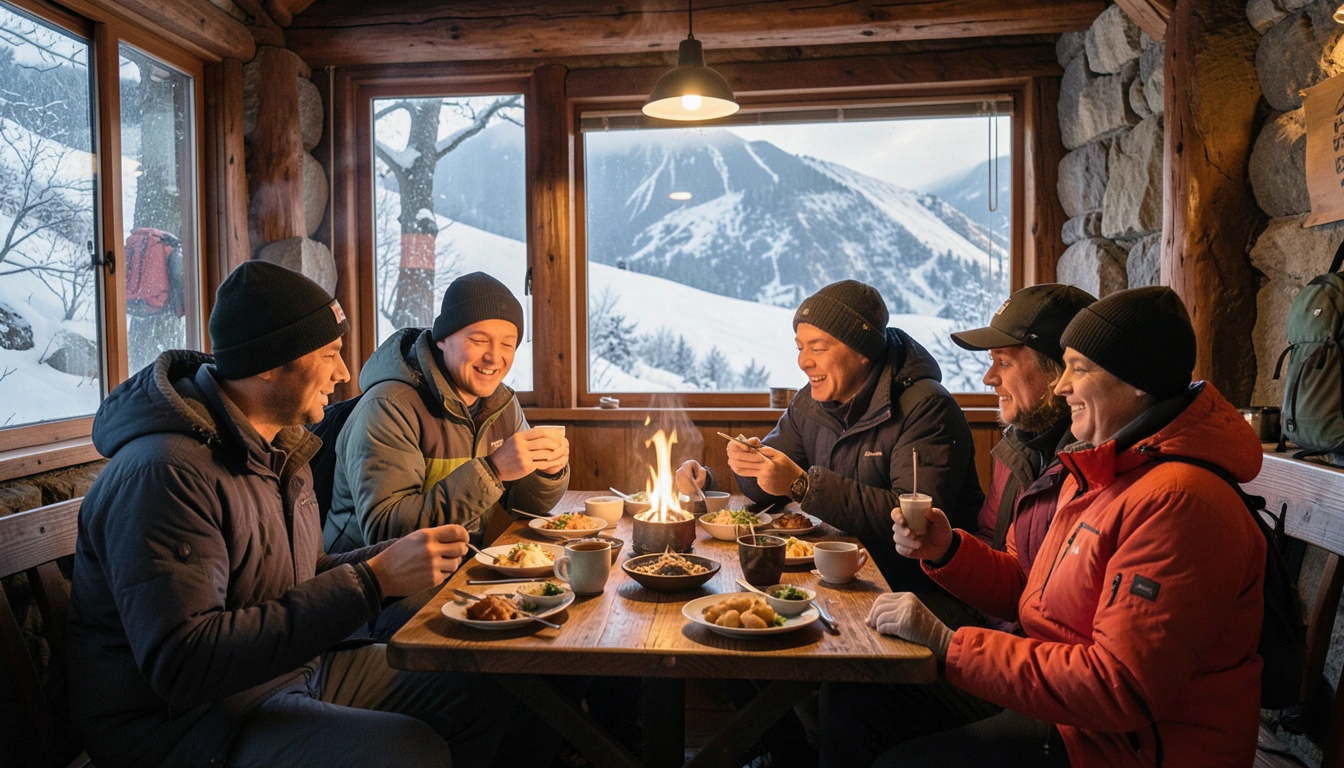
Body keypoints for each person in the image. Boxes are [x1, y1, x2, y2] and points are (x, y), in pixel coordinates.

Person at [66, 261, 516, 768]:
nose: (343, 373)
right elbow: (185, 662)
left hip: (288, 673)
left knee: (484, 688)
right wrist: (372, 582)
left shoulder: (280, 448)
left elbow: (299, 576)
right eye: (329, 355)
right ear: (268, 363)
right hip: (189, 725)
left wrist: (393, 559)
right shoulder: (166, 473)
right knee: (411, 752)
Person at [870, 286, 1266, 767]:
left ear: (1137, 380)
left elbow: (1120, 687)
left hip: (1126, 748)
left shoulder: (1180, 502)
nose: (1062, 387)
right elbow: (1030, 593)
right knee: (861, 701)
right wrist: (948, 549)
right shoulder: (1100, 471)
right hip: (1069, 711)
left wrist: (950, 645)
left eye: (1079, 368)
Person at [817, 282, 1095, 766]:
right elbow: (1014, 577)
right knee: (848, 694)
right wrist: (947, 549)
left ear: (1060, 371)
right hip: (1003, 640)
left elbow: (1082, 648)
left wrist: (950, 643)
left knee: (878, 737)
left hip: (1059, 695)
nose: (989, 378)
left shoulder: (1098, 473)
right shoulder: (1021, 449)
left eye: (1004, 362)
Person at [676, 279, 984, 599]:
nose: (803, 361)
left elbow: (916, 523)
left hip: (919, 591)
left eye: (818, 348)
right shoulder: (810, 403)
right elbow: (766, 489)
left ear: (863, 351)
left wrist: (802, 486)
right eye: (800, 347)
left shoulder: (927, 407)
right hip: (841, 577)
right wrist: (742, 467)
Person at [325, 272, 568, 553]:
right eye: (479, 340)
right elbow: (386, 532)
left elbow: (524, 506)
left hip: (459, 568)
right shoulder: (389, 406)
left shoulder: (500, 404)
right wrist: (493, 470)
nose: (494, 357)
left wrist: (547, 473)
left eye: (507, 344)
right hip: (372, 578)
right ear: (442, 339)